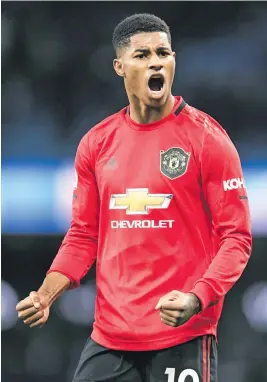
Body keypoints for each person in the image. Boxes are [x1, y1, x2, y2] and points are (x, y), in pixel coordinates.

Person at [16, 13, 252, 382]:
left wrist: (197, 297)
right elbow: (83, 235)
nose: (156, 61)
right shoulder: (97, 143)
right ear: (119, 66)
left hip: (182, 336)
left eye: (164, 52)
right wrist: (46, 293)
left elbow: (236, 238)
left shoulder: (208, 139)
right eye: (142, 55)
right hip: (110, 339)